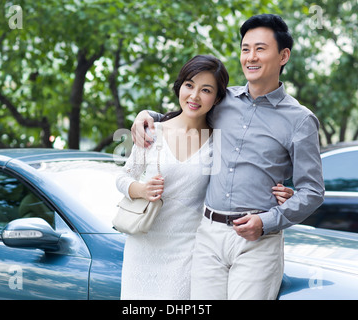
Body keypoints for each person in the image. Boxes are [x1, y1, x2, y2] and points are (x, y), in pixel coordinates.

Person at [131, 14, 325, 300]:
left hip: (258, 239)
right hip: (208, 236)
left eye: (260, 48)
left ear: (283, 55)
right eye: (246, 49)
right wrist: (148, 116)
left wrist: (269, 220)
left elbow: (313, 191)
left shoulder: (300, 120)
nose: (251, 57)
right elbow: (188, 112)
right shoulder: (223, 101)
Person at [116, 54, 293, 300]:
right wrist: (141, 189)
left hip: (188, 250)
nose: (194, 96)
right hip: (143, 246)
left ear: (218, 98)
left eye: (206, 90)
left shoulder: (219, 141)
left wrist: (282, 193)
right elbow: (123, 178)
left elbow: (244, 175)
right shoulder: (152, 132)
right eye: (189, 85)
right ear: (180, 87)